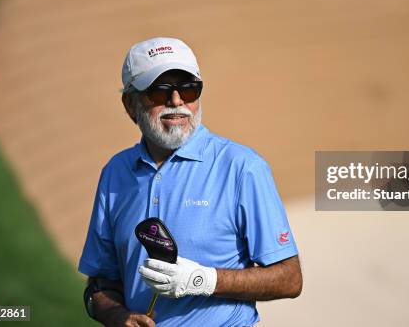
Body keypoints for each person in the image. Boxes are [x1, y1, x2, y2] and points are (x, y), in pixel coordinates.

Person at [78, 37, 302, 327]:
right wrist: (117, 316)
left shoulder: (242, 168)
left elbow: (290, 278)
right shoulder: (115, 173)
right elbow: (100, 282)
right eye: (160, 92)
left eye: (188, 89)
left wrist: (203, 280)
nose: (176, 102)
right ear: (130, 104)